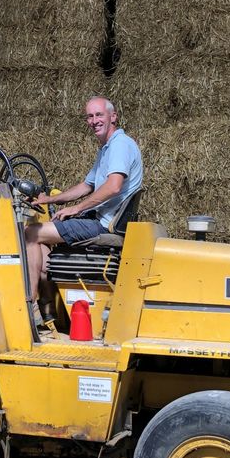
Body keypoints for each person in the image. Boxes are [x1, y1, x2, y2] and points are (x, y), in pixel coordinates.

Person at [24, 96, 143, 325]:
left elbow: (113, 186)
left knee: (30, 234)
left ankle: (30, 304)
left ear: (113, 117)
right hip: (99, 218)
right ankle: (48, 310)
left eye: (99, 115)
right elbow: (86, 186)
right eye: (90, 116)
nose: (94, 120)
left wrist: (76, 209)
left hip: (102, 223)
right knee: (42, 241)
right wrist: (50, 199)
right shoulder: (107, 148)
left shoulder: (120, 145)